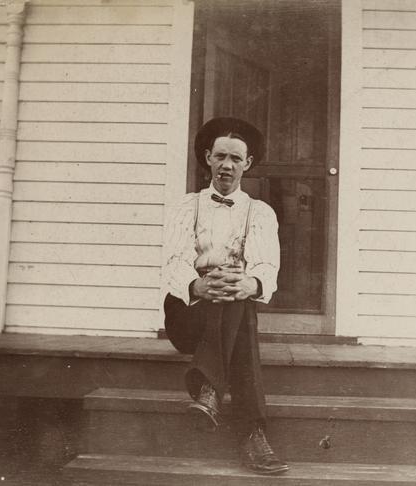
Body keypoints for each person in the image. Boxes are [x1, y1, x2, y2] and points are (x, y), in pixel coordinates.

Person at [162, 117, 288, 475]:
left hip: (231, 309)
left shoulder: (260, 213)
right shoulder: (186, 207)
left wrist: (251, 284)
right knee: (234, 304)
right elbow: (172, 262)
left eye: (235, 158)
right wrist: (197, 285)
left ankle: (210, 391)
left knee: (238, 298)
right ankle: (253, 433)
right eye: (220, 156)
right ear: (207, 158)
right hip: (187, 315)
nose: (226, 165)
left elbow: (267, 268)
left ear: (247, 163)